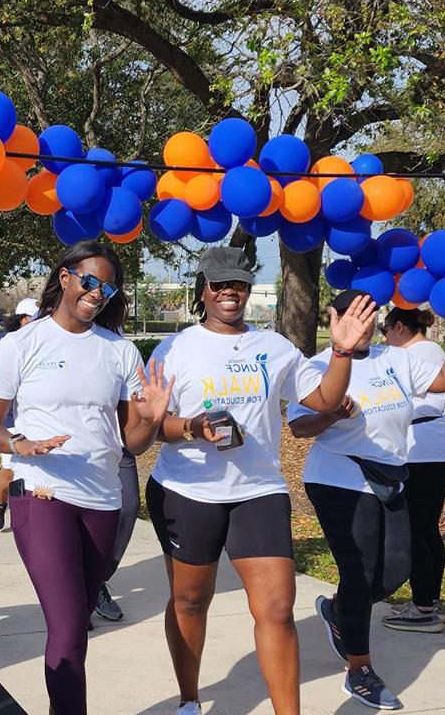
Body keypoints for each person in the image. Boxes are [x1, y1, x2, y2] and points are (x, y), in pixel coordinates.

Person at [146, 247, 376, 715]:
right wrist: (194, 426)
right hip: (188, 491)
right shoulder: (175, 348)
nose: (230, 292)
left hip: (258, 491)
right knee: (190, 601)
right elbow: (154, 425)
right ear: (203, 291)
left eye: (239, 284)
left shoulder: (274, 347)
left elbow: (325, 399)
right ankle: (189, 701)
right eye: (219, 284)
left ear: (250, 290)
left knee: (275, 609)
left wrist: (344, 351)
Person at [0, 241, 172, 714]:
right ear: (64, 278)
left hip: (102, 499)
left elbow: (132, 442)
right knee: (65, 630)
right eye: (89, 281)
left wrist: (150, 419)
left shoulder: (120, 351)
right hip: (40, 492)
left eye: (108, 287)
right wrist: (20, 444)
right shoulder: (21, 344)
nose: (97, 293)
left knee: (77, 630)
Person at [288, 290, 445, 711]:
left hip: (390, 475)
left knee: (396, 567)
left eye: (369, 317)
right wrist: (331, 415)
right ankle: (359, 670)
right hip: (339, 478)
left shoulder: (395, 358)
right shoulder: (317, 366)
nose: (361, 326)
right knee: (358, 573)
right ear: (333, 318)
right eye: (351, 317)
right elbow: (301, 428)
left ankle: (339, 610)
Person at [378, 307, 445, 633]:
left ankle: (424, 607)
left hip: (424, 450)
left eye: (385, 332)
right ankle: (430, 602)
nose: (384, 340)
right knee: (426, 529)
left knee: (415, 530)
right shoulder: (430, 350)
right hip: (437, 447)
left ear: (399, 327)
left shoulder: (416, 355)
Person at [0, 297, 40, 531]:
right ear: (23, 319)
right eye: (36, 319)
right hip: (10, 420)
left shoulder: (44, 341)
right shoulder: (7, 343)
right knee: (10, 472)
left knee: (33, 472)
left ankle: (26, 515)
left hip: (35, 417)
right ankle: (0, 503)